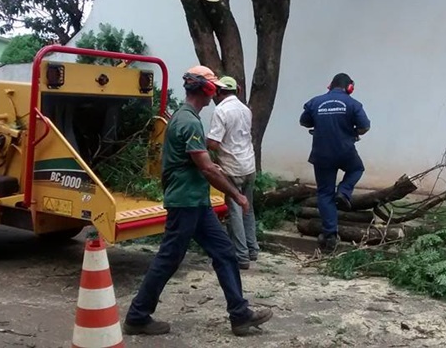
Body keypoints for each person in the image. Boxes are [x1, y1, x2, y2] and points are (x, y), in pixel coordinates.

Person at [123, 65, 273, 337]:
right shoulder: (189, 121)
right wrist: (237, 194)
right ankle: (137, 315)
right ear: (205, 89)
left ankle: (240, 315)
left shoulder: (185, 116)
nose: (214, 91)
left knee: (224, 252)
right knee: (169, 258)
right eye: (212, 86)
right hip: (186, 202)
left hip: (196, 201)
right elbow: (205, 167)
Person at [299, 73, 371, 252]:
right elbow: (365, 127)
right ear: (350, 88)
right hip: (345, 151)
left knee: (324, 193)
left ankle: (330, 235)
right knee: (357, 169)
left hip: (321, 154)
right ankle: (344, 192)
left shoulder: (315, 102)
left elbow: (304, 122)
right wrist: (352, 130)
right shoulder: (353, 104)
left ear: (329, 86)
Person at [206, 76, 259, 270]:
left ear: (219, 92)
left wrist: (197, 144)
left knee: (235, 210)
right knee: (248, 208)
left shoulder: (221, 110)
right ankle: (252, 249)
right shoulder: (246, 109)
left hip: (232, 168)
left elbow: (213, 143)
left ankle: (241, 256)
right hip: (249, 165)